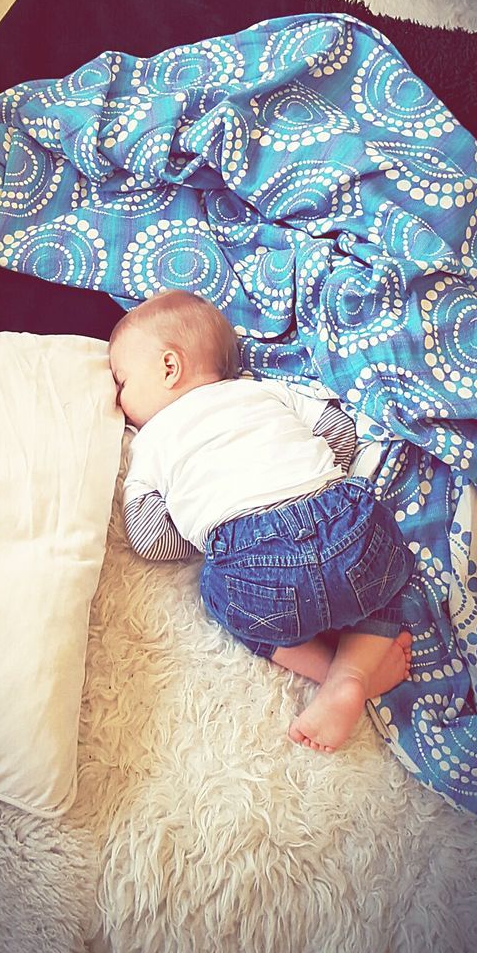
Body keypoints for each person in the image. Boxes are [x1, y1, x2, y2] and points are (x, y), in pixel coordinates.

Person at [109, 290, 414, 752]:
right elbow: (339, 431)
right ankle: (354, 671)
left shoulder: (150, 441)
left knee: (217, 595)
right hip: (341, 525)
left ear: (168, 367)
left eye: (122, 381)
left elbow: (150, 538)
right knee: (388, 576)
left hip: (256, 570)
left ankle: (334, 675)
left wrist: (206, 531)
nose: (118, 396)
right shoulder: (264, 389)